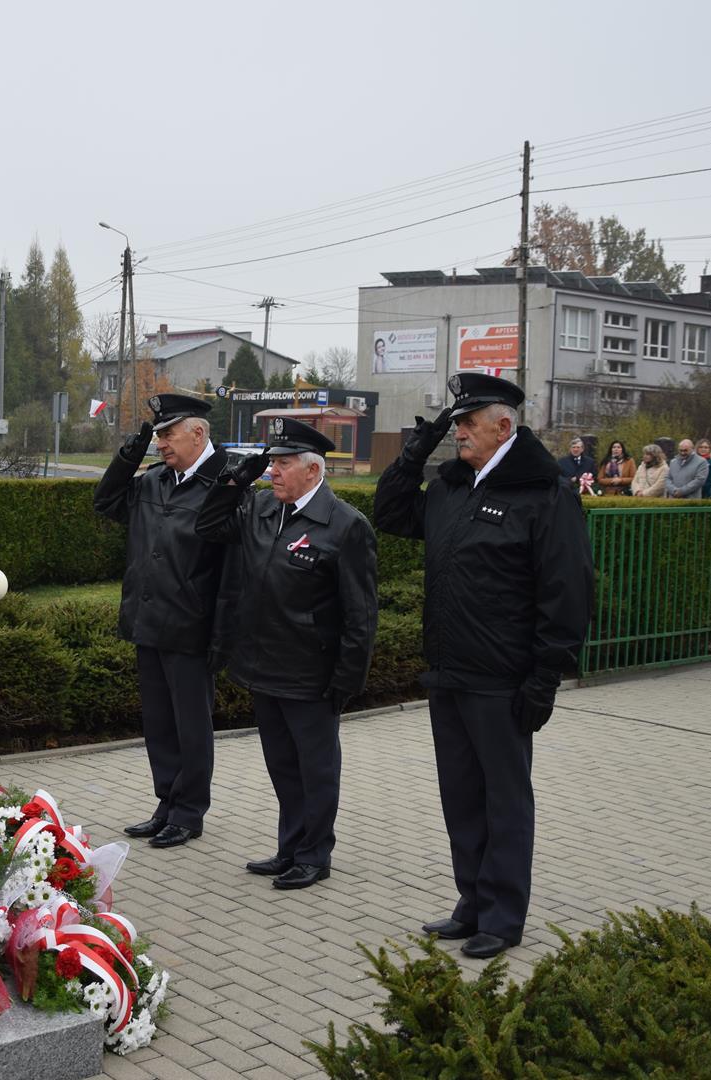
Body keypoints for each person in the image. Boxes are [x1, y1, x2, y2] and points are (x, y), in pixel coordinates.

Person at [373, 373, 592, 959]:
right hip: (449, 671)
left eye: (468, 422)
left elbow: (566, 593)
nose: (459, 431)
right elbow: (391, 514)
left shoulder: (544, 494)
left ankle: (503, 914)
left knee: (505, 799)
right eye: (456, 422)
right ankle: (470, 902)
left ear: (504, 426)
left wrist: (545, 676)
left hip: (504, 679)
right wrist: (415, 451)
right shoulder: (452, 487)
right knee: (462, 797)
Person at [195, 418, 378, 891]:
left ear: (313, 471)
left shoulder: (344, 526)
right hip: (263, 665)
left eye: (282, 462)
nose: (272, 471)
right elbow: (210, 523)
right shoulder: (260, 507)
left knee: (315, 769)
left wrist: (347, 679)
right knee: (282, 765)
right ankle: (290, 847)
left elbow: (360, 614)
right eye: (271, 462)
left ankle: (315, 855)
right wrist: (237, 478)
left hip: (311, 672)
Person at [94, 394, 228, 849]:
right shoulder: (154, 480)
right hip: (148, 620)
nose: (161, 444)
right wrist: (130, 454)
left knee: (191, 725)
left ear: (198, 433)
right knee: (159, 722)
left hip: (192, 626)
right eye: (157, 436)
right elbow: (106, 500)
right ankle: (166, 803)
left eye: (168, 434)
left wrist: (223, 633)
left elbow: (234, 571)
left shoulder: (226, 486)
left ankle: (190, 812)